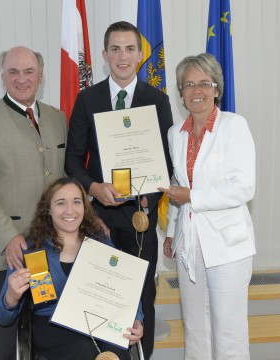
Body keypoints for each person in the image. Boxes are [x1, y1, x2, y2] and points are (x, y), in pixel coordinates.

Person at [64, 21, 173, 360]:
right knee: (102, 295)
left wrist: (149, 195)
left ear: (140, 55)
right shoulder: (88, 98)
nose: (122, 57)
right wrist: (94, 187)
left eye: (129, 49)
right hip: (100, 221)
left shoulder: (158, 100)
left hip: (140, 219)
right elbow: (72, 161)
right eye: (115, 49)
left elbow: (167, 162)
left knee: (143, 296)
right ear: (104, 54)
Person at [0, 46, 68, 360]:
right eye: (13, 72)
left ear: (41, 75)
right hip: (10, 254)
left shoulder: (57, 117)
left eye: (29, 71)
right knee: (8, 339)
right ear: (2, 76)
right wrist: (9, 238)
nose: (22, 79)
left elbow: (63, 179)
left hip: (52, 249)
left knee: (48, 334)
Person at [158, 53, 256, 359]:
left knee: (228, 330)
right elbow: (177, 186)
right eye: (188, 84)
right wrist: (173, 232)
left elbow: (243, 188)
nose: (196, 90)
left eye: (204, 83)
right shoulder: (176, 133)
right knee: (195, 328)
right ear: (180, 92)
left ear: (217, 89)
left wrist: (193, 198)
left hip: (227, 245)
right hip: (189, 244)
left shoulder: (233, 126)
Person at [0, 177, 143, 360]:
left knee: (116, 352)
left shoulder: (101, 242)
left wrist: (137, 319)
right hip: (51, 323)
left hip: (99, 319)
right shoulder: (30, 249)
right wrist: (12, 296)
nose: (70, 210)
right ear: (47, 209)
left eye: (77, 202)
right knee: (84, 349)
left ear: (84, 207)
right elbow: (2, 317)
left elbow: (125, 289)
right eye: (61, 203)